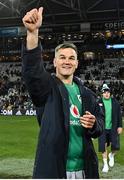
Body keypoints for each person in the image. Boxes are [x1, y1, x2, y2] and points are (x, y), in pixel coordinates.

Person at [22, 7, 104, 179]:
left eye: (71, 58)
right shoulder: (46, 87)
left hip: (85, 170)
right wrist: (32, 33)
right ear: (55, 62)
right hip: (55, 170)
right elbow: (32, 71)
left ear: (76, 64)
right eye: (62, 57)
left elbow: (99, 127)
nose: (67, 61)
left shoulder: (88, 94)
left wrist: (94, 123)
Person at [98, 83, 123, 173]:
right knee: (103, 145)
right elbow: (96, 115)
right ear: (102, 94)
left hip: (113, 127)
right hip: (102, 128)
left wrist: (120, 126)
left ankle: (111, 155)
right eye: (104, 92)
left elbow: (119, 115)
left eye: (108, 92)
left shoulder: (115, 102)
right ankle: (105, 165)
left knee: (115, 146)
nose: (106, 94)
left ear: (110, 93)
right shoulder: (99, 103)